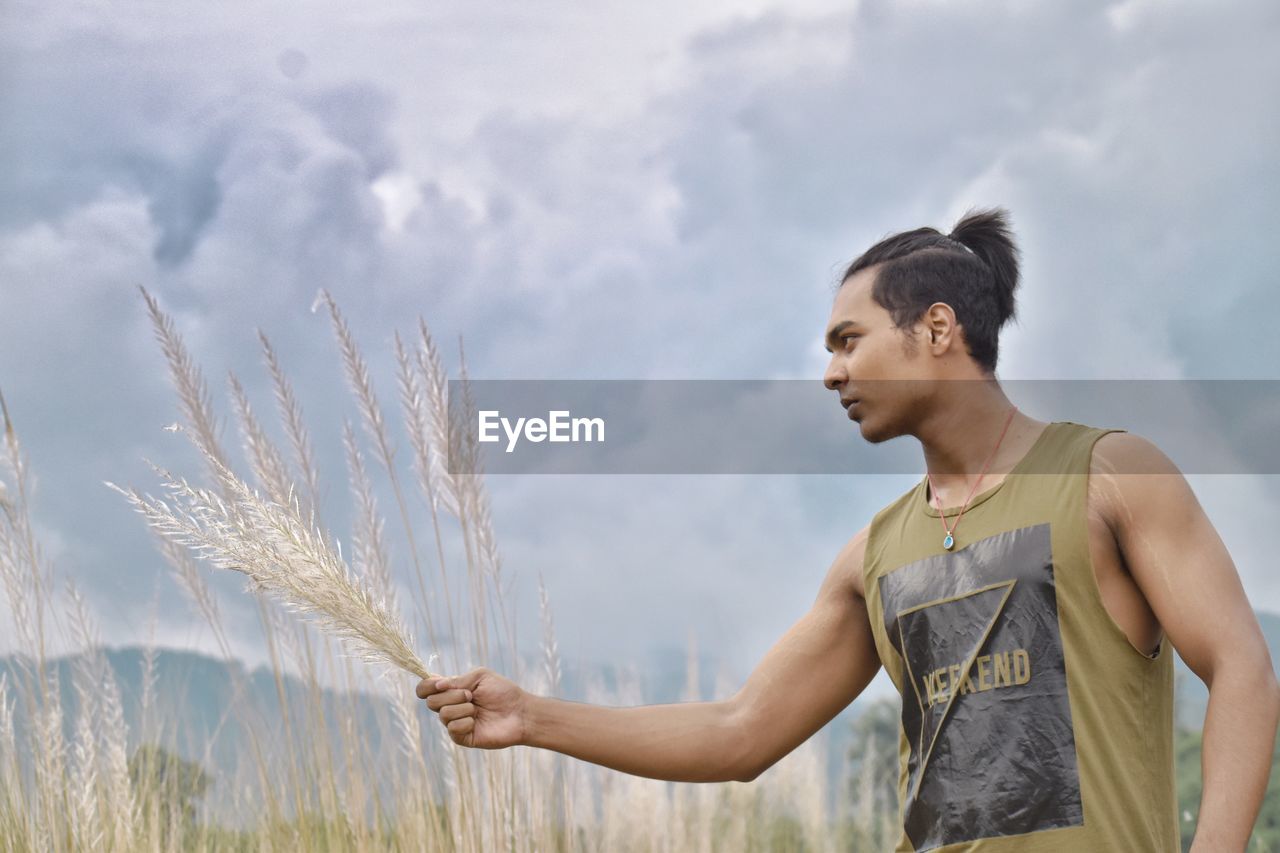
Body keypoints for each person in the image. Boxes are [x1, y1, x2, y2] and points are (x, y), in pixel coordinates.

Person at [416, 207, 1280, 851]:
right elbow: (741, 731)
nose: (829, 373)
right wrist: (530, 715)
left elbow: (1241, 665)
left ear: (936, 327)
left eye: (847, 340)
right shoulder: (872, 557)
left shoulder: (1110, 475)